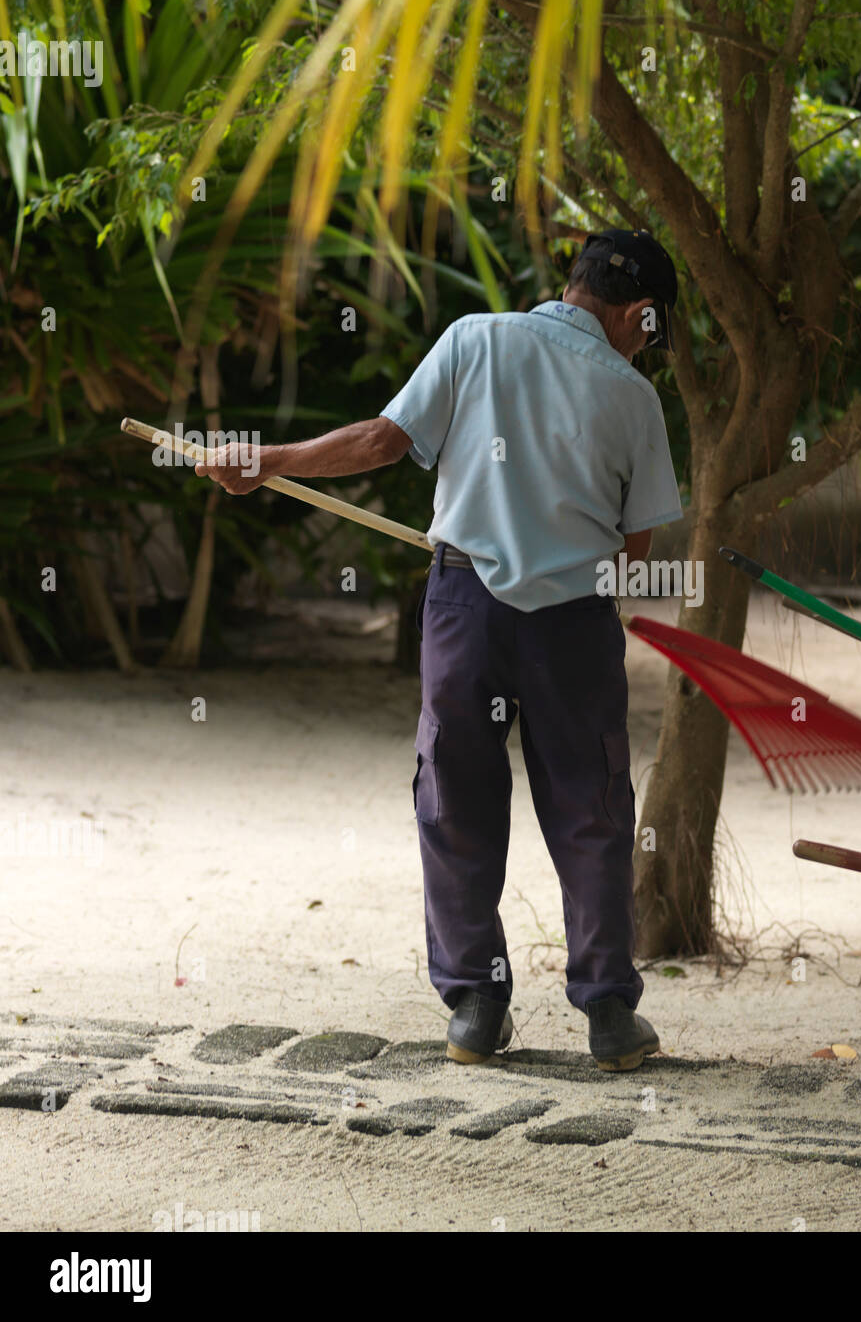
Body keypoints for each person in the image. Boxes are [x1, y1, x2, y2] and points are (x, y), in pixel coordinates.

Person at [197, 229, 684, 1072]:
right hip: (573, 622)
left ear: (572, 284)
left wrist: (268, 462)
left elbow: (383, 441)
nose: (650, 346)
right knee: (591, 804)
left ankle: (475, 1005)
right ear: (641, 313)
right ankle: (608, 1013)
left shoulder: (474, 339)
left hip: (464, 606)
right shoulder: (633, 398)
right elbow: (635, 549)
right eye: (654, 331)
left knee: (454, 793)